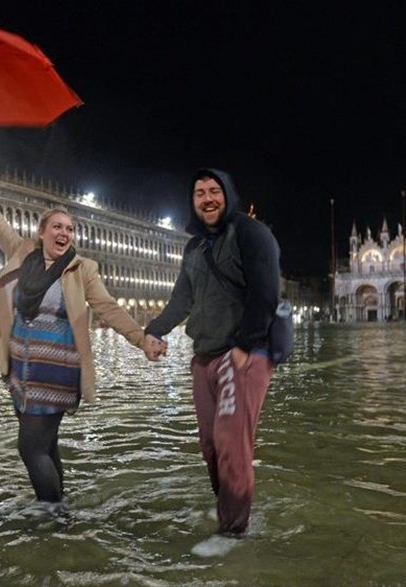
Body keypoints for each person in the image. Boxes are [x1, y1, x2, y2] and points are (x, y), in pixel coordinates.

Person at [0, 152, 164, 504]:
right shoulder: (23, 253)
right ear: (42, 231)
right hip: (21, 369)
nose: (64, 233)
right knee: (46, 445)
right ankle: (60, 505)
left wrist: (141, 339)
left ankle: (52, 519)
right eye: (58, 226)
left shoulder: (82, 269)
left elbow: (108, 308)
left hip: (57, 371)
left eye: (70, 228)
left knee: (29, 448)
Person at [142, 168, 281, 547]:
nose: (207, 199)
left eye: (214, 191)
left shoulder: (251, 234)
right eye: (200, 192)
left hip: (242, 355)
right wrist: (154, 330)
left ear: (227, 194)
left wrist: (244, 344)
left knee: (231, 443)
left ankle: (233, 534)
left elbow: (267, 292)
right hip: (203, 357)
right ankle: (230, 507)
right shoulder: (194, 248)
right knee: (210, 446)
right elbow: (182, 300)